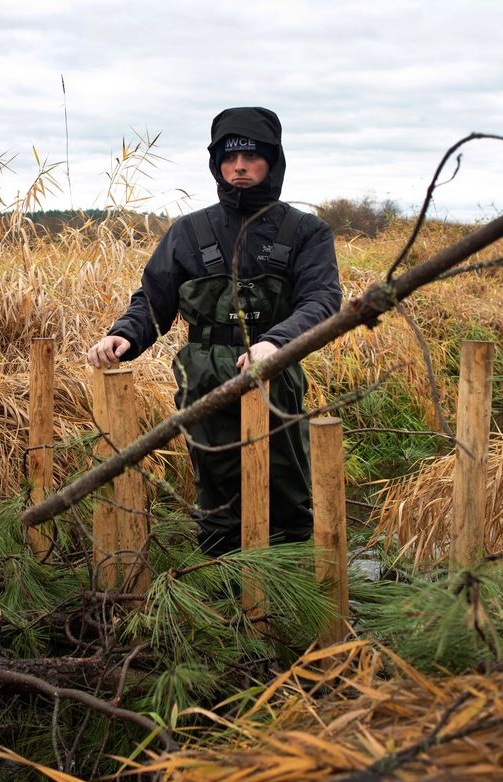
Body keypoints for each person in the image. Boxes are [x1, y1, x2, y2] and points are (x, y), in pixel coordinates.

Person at [87, 107, 342, 555]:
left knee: (286, 487)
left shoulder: (306, 231)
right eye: (228, 157)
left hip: (274, 376)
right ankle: (223, 586)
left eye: (251, 156)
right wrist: (126, 334)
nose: (239, 166)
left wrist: (275, 344)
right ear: (216, 163)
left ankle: (290, 594)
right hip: (202, 380)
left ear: (272, 160)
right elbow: (154, 298)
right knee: (219, 493)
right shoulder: (189, 231)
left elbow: (322, 300)